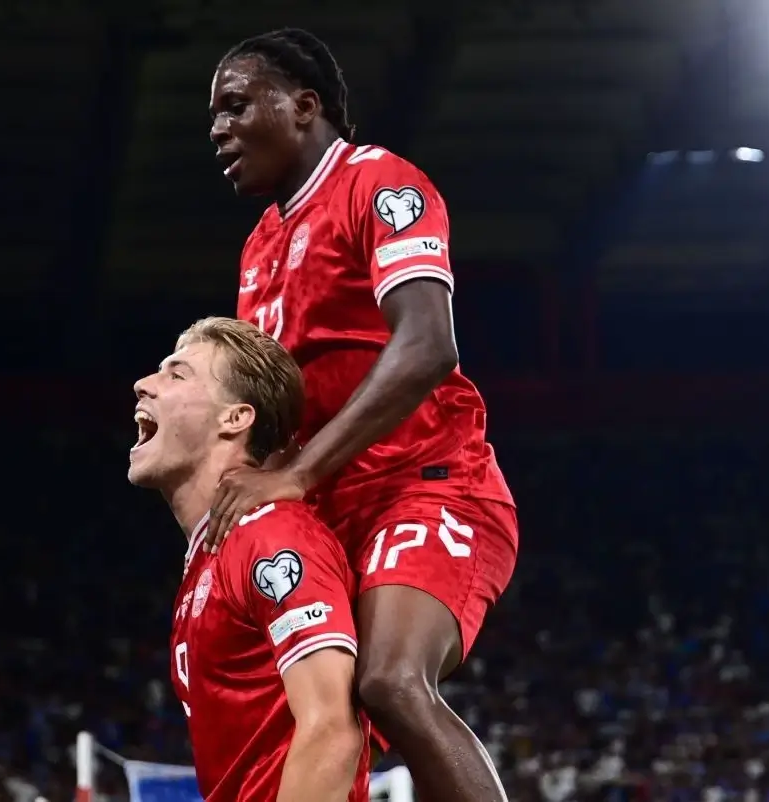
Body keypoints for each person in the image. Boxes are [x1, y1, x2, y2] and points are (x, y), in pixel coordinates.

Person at [203, 28, 517, 802]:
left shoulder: (377, 182)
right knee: (321, 720)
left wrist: (303, 470)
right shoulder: (258, 248)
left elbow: (427, 346)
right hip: (333, 514)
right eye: (213, 115)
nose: (217, 129)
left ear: (304, 105)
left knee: (389, 682)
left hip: (429, 482)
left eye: (235, 105)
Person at [128, 316, 371, 802]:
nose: (143, 384)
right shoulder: (209, 559)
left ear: (235, 418)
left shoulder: (272, 533)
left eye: (176, 374)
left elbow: (332, 730)